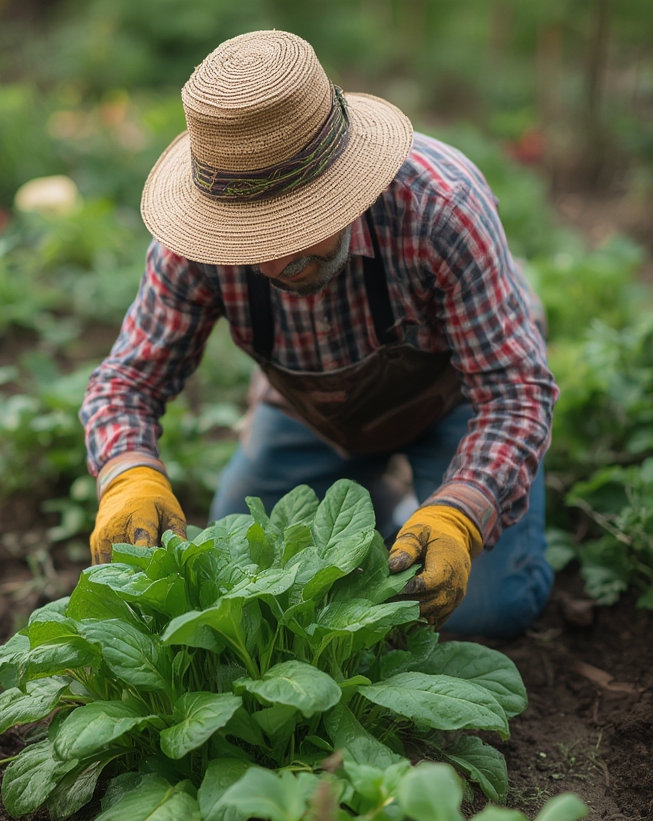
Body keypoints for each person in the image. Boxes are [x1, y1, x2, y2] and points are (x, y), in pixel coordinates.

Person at [80, 29, 558, 637]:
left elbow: (513, 390)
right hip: (310, 414)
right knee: (243, 572)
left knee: (481, 614)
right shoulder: (194, 243)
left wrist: (461, 514)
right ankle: (386, 504)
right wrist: (128, 475)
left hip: (455, 398)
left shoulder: (439, 207)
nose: (274, 259)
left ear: (348, 185)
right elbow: (126, 382)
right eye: (249, 237)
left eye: (295, 226)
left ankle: (439, 499)